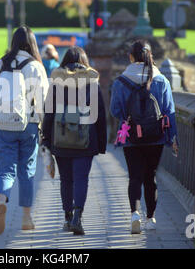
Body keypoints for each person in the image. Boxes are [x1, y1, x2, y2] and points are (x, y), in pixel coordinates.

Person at [110, 40, 179, 234]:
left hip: (131, 136)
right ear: (150, 57)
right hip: (155, 136)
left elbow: (115, 110)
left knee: (134, 177)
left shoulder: (120, 81)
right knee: (150, 177)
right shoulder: (161, 80)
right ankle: (151, 218)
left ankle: (134, 214)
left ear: (131, 57)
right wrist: (173, 138)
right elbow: (169, 111)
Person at [0, 26, 49, 235]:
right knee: (27, 171)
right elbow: (43, 101)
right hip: (29, 124)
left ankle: (2, 200)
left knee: (5, 169)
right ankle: (26, 217)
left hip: (4, 123)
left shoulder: (0, 64)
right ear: (31, 43)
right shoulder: (36, 67)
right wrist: (43, 126)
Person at [41, 46, 107, 235]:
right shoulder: (92, 82)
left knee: (66, 180)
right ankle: (78, 216)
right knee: (81, 179)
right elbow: (100, 114)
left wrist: (46, 138)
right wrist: (101, 144)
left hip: (60, 139)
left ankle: (68, 217)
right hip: (86, 140)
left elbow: (49, 112)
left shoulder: (57, 81)